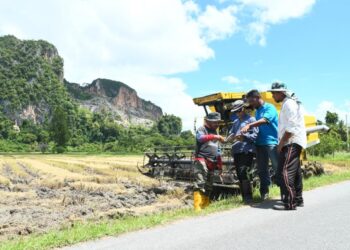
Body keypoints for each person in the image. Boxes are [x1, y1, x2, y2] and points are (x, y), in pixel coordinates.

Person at [268, 82, 306, 210]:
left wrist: (281, 143)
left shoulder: (289, 104)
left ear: (281, 92)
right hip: (294, 141)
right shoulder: (289, 103)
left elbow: (291, 127)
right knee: (295, 173)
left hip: (291, 141)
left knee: (285, 171)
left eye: (274, 93)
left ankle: (290, 203)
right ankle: (298, 199)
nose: (272, 96)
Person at [241, 90, 279, 200]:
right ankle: (264, 193)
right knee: (262, 170)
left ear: (257, 97)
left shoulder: (269, 108)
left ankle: (285, 191)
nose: (251, 104)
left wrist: (249, 125)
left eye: (252, 101)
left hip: (271, 142)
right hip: (259, 143)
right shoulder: (256, 111)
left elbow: (265, 120)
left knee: (277, 167)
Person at [194, 112, 225, 212]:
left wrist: (220, 166)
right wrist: (215, 137)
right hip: (202, 159)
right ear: (208, 121)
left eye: (218, 123)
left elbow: (218, 150)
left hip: (213, 161)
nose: (217, 124)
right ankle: (197, 207)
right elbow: (200, 138)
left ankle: (205, 205)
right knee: (200, 182)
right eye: (215, 122)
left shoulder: (216, 132)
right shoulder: (202, 129)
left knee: (209, 185)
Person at [228, 100, 258, 203]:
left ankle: (248, 197)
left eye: (239, 110)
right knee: (239, 174)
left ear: (243, 108)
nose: (237, 113)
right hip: (236, 151)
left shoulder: (251, 120)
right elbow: (231, 134)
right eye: (235, 111)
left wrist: (243, 138)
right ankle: (244, 197)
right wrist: (229, 138)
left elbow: (255, 136)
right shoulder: (236, 122)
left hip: (246, 150)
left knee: (244, 172)